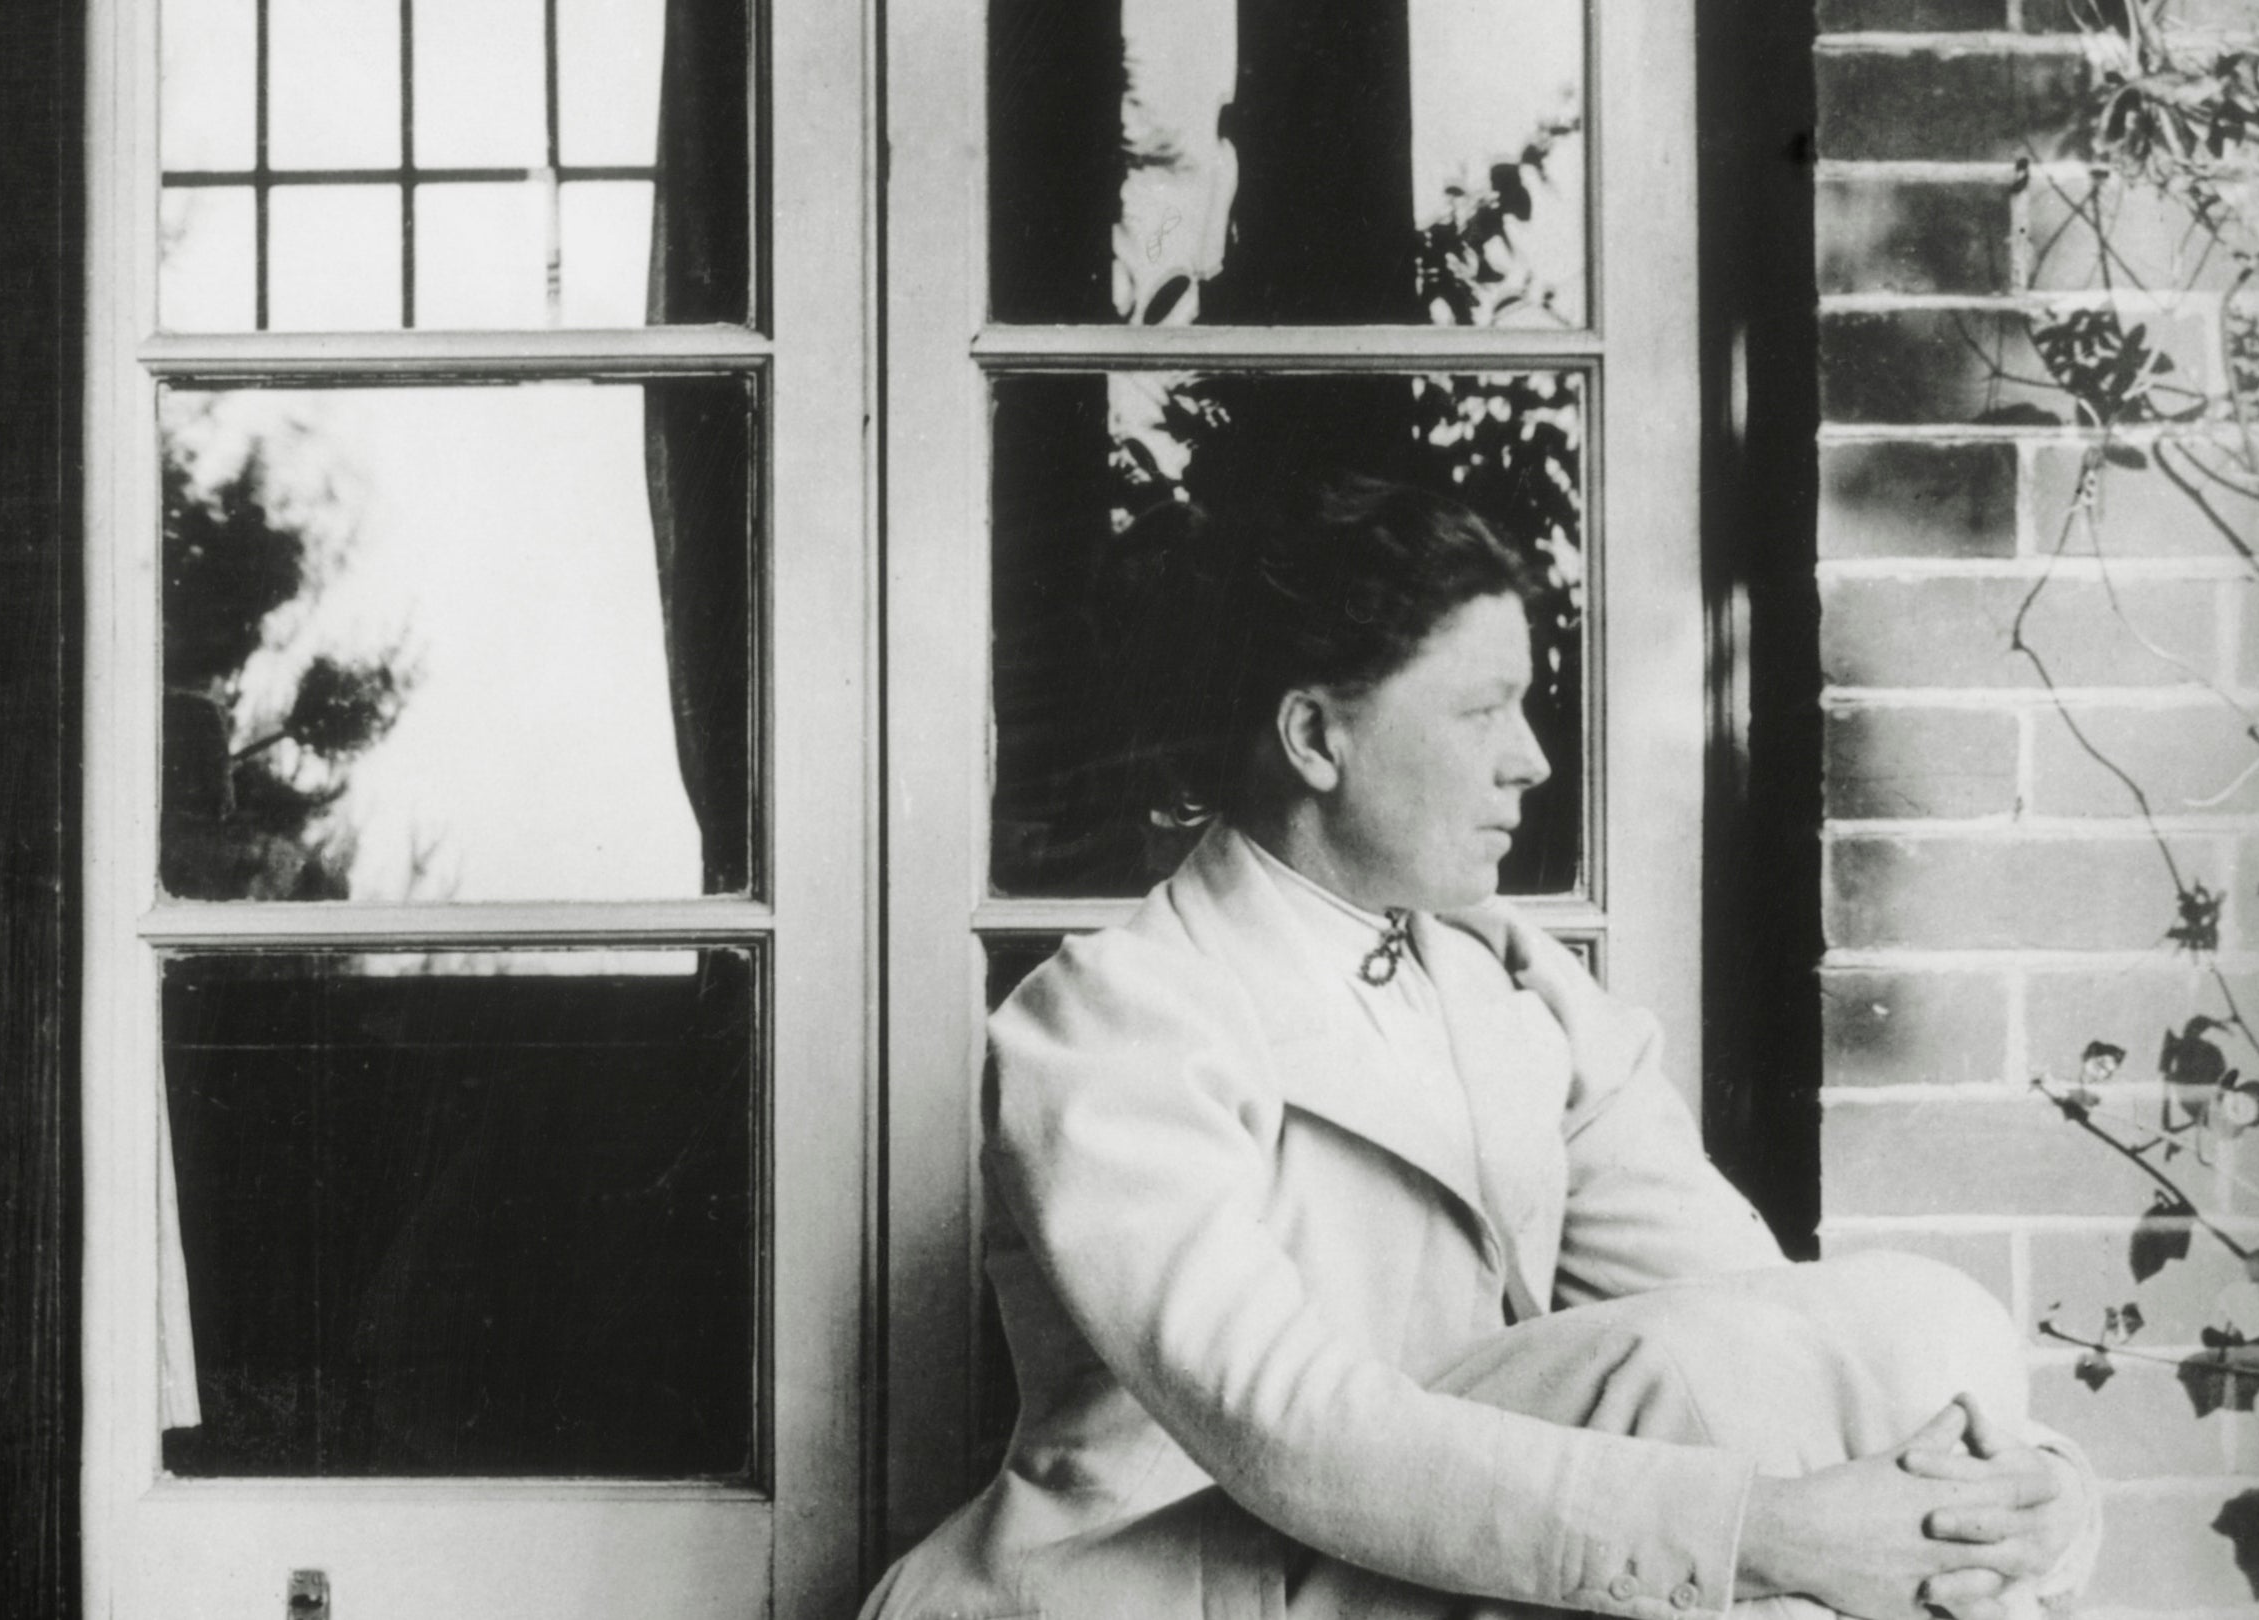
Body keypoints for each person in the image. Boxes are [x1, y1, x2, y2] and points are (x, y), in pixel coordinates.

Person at [864, 478, 2097, 1620]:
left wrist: (2027, 1489)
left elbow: (1778, 1327)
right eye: (1482, 709)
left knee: (1891, 1318)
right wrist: (1761, 1533)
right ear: (1313, 737)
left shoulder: (1518, 990)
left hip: (1442, 1576)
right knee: (1687, 1397)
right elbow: (1288, 1434)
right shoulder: (1117, 1015)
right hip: (1164, 1581)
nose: (1534, 760)